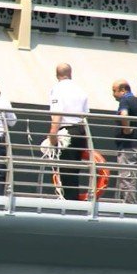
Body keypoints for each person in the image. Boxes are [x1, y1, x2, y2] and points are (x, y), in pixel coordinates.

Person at [48, 63, 89, 201]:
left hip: (66, 132)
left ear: (56, 75)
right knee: (74, 171)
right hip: (80, 131)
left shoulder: (57, 89)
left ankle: (69, 205)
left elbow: (57, 112)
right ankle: (74, 202)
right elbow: (85, 115)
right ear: (71, 73)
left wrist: (52, 134)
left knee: (66, 172)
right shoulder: (80, 89)